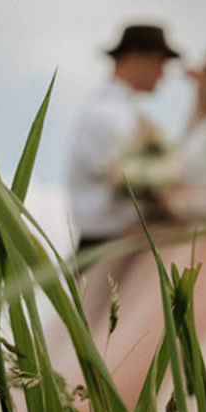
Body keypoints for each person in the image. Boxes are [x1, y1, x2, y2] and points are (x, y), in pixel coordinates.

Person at [93, 33, 206, 412]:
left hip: (192, 248)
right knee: (176, 351)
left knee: (155, 347)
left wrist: (175, 203)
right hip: (190, 244)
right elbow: (188, 155)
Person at [66, 22, 179, 339]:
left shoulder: (124, 112)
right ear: (135, 56)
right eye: (159, 63)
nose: (163, 74)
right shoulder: (106, 114)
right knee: (99, 342)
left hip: (120, 243)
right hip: (105, 247)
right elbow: (126, 179)